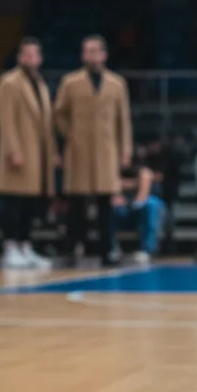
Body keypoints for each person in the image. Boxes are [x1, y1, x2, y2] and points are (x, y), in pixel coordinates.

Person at [55, 35, 133, 267]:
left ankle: (107, 251)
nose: (89, 55)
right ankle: (72, 250)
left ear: (104, 54)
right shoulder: (70, 82)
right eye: (85, 51)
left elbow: (124, 120)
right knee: (76, 206)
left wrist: (125, 150)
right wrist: (71, 134)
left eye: (93, 50)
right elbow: (58, 113)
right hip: (78, 152)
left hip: (106, 151)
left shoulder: (117, 84)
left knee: (105, 206)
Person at [0, 38, 57, 269]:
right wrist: (13, 150)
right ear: (19, 57)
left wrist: (52, 152)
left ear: (40, 59)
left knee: (31, 204)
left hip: (37, 154)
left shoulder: (40, 83)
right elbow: (6, 119)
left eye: (35, 55)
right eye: (26, 55)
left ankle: (25, 246)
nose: (31, 59)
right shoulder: (9, 82)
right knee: (14, 201)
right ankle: (10, 247)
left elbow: (47, 123)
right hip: (20, 151)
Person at [111, 159, 164, 265]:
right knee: (109, 209)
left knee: (151, 204)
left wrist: (128, 192)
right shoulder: (112, 171)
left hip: (143, 210)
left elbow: (141, 199)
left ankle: (147, 250)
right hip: (126, 211)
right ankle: (112, 249)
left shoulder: (144, 172)